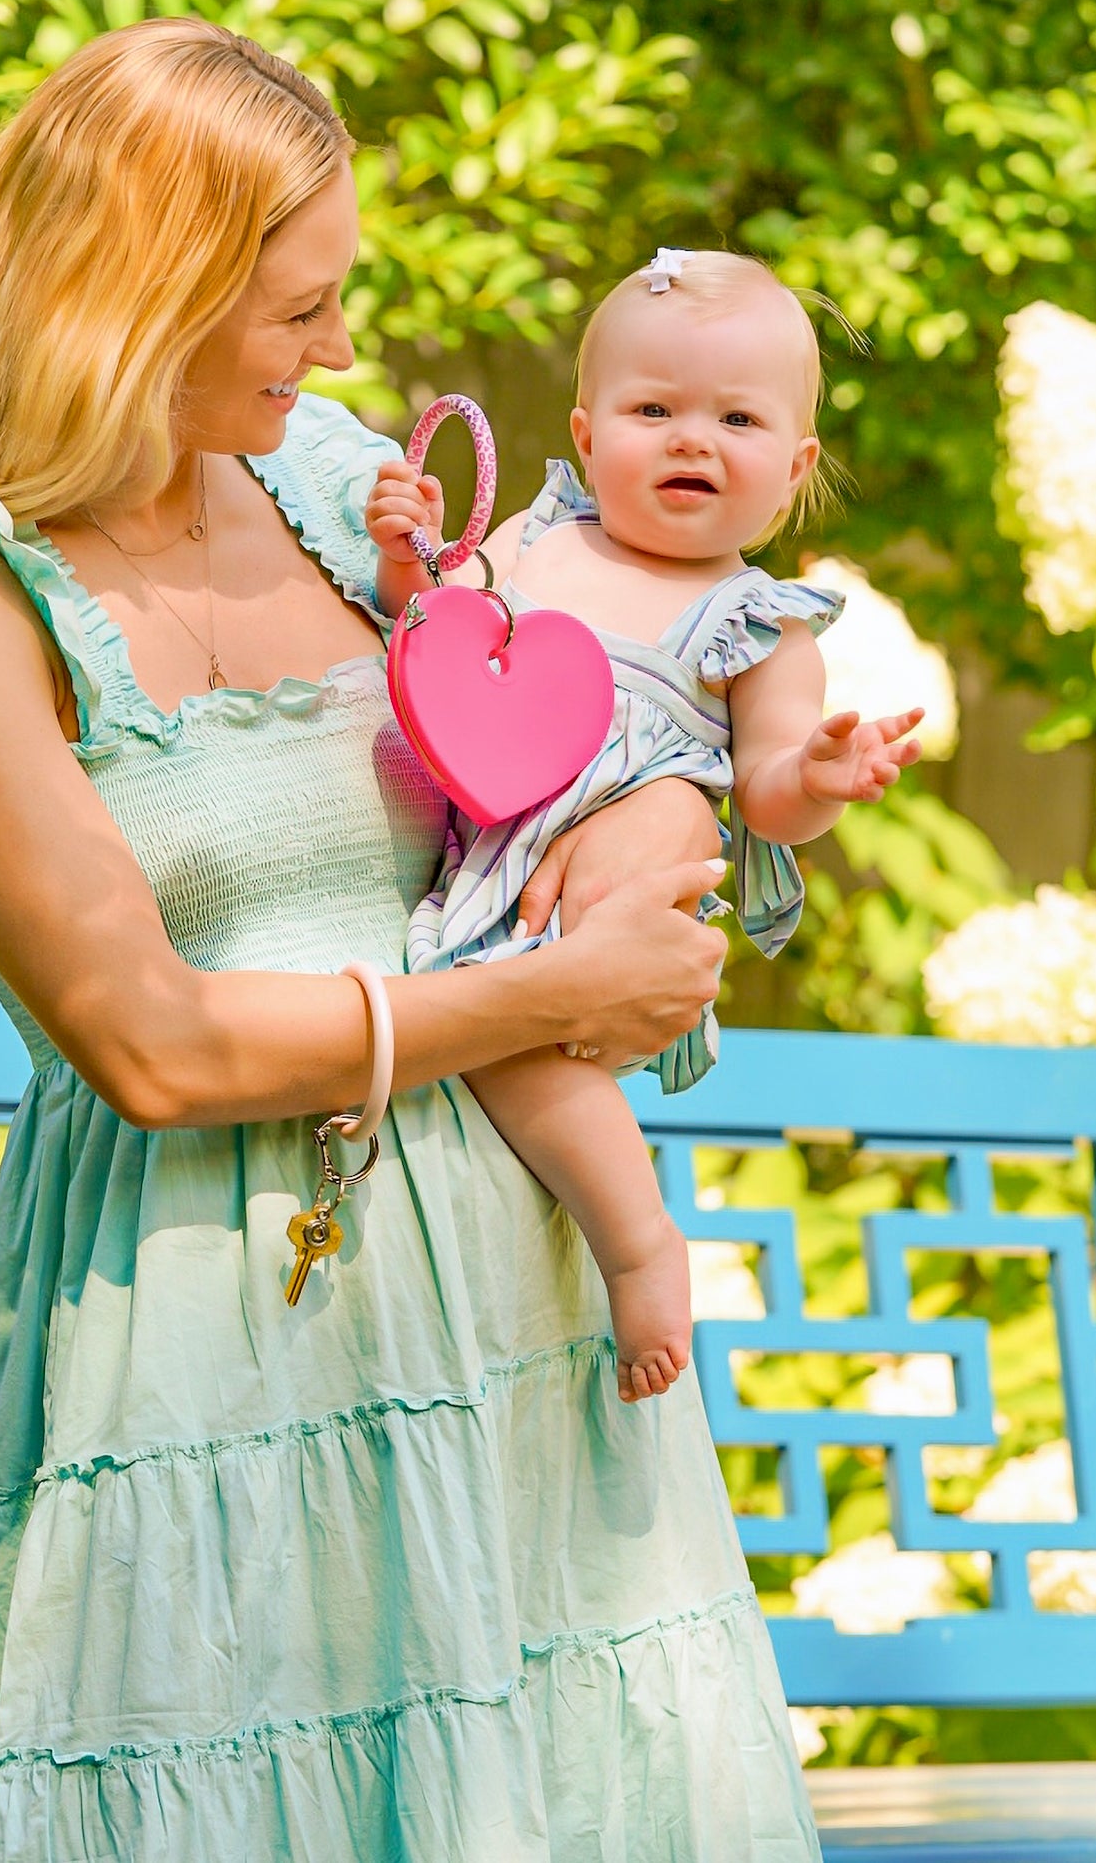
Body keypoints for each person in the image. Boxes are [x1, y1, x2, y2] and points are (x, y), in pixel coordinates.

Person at [0, 19, 822, 1860]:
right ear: (131, 296)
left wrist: (662, 819)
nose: (336, 349)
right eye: (292, 309)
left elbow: (602, 716)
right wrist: (548, 992)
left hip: (516, 1321)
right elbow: (147, 1042)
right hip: (212, 1325)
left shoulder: (335, 487)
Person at [366, 248, 924, 1405]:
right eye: (651, 408)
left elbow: (762, 788)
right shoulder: (535, 541)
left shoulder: (757, 624)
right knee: (482, 1026)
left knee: (518, 1035)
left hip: (612, 889)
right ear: (582, 434)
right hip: (491, 854)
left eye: (735, 416)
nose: (690, 438)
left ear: (794, 464)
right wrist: (401, 554)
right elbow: (429, 632)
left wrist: (820, 768)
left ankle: (635, 1242)